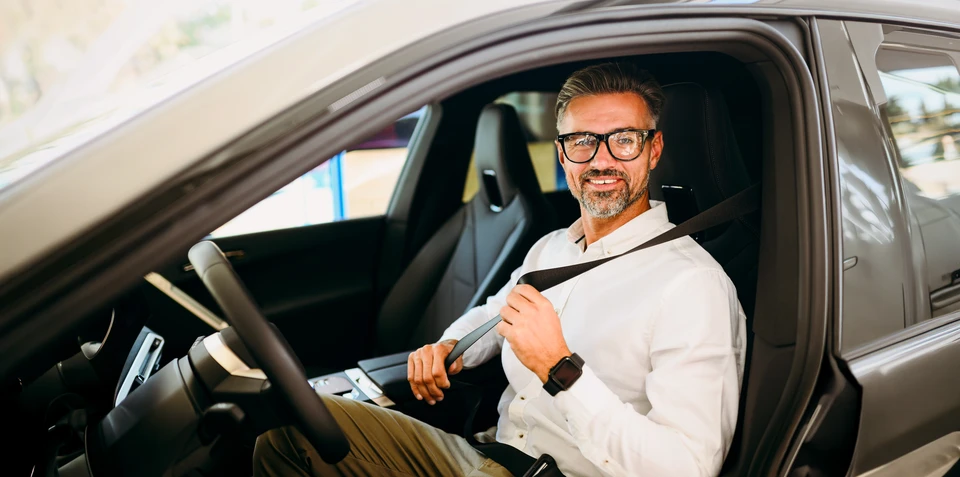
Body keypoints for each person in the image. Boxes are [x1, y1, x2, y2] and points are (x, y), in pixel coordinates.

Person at [254, 62, 747, 477]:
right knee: (292, 431)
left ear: (653, 150)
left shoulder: (691, 286)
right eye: (582, 141)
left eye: (623, 140)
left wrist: (560, 369)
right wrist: (451, 346)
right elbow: (496, 314)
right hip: (488, 452)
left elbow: (688, 467)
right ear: (562, 154)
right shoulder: (553, 249)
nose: (601, 160)